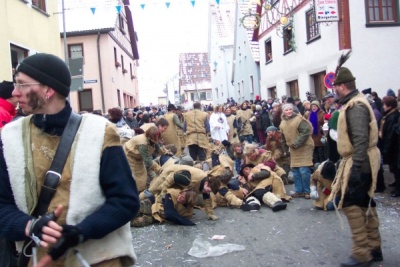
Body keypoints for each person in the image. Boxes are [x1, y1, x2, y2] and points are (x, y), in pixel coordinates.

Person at [0, 53, 138, 266]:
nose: (15, 92)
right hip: (40, 260)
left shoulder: (99, 132)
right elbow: (2, 204)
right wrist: (29, 226)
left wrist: (81, 231)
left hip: (98, 260)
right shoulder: (9, 137)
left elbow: (125, 201)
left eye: (22, 84)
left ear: (48, 90)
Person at [329, 53, 382, 266]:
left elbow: (360, 139)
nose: (334, 91)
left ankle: (362, 252)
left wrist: (358, 169)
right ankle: (374, 247)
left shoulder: (355, 106)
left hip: (360, 162)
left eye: (335, 87)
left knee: (352, 203)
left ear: (342, 87)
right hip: (363, 160)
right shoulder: (357, 102)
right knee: (364, 202)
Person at [280, 103, 314, 199]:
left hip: (304, 147)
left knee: (303, 170)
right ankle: (299, 191)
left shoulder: (299, 119)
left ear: (293, 110)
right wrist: (285, 150)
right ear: (283, 112)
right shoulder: (282, 123)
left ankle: (307, 191)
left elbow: (305, 132)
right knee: (295, 171)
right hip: (294, 148)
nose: (289, 111)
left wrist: (296, 144)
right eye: (286, 110)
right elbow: (283, 138)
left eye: (290, 109)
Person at [378, 96, 399, 194]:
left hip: (394, 147)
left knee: (396, 167)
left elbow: (390, 135)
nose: (383, 107)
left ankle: (398, 188)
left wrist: (386, 149)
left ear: (389, 106)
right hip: (392, 146)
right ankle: (396, 183)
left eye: (384, 105)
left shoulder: (393, 116)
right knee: (393, 167)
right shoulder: (388, 115)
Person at [304, 101, 326, 165]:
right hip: (312, 136)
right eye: (312, 106)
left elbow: (324, 123)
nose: (313, 108)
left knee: (321, 152)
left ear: (318, 107)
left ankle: (322, 165)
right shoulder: (309, 114)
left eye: (315, 106)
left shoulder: (322, 113)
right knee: (314, 152)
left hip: (319, 135)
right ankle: (316, 165)